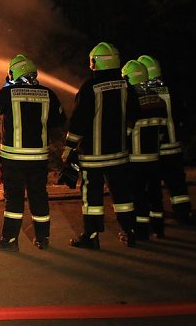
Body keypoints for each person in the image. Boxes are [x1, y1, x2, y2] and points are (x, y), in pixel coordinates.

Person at [62, 42, 141, 249]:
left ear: (96, 62)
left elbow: (79, 121)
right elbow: (134, 116)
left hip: (93, 157)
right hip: (119, 155)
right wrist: (125, 136)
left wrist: (69, 147)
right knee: (123, 195)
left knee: (92, 199)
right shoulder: (126, 86)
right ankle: (130, 231)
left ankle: (91, 236)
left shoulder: (90, 87)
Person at [0, 54, 66, 252]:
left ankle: (10, 241)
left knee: (13, 199)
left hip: (13, 157)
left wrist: (7, 85)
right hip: (38, 157)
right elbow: (59, 121)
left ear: (13, 73)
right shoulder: (48, 93)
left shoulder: (9, 92)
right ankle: (43, 238)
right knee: (39, 196)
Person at [138, 54, 194, 230]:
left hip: (153, 150)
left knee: (151, 188)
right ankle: (184, 214)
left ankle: (153, 219)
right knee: (177, 186)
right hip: (174, 148)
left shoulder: (145, 95)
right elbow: (183, 115)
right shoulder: (172, 90)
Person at [122, 59, 168, 242]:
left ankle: (141, 231)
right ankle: (159, 228)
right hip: (155, 157)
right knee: (155, 194)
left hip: (135, 159)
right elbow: (163, 128)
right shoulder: (157, 99)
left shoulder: (132, 102)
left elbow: (126, 132)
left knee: (138, 196)